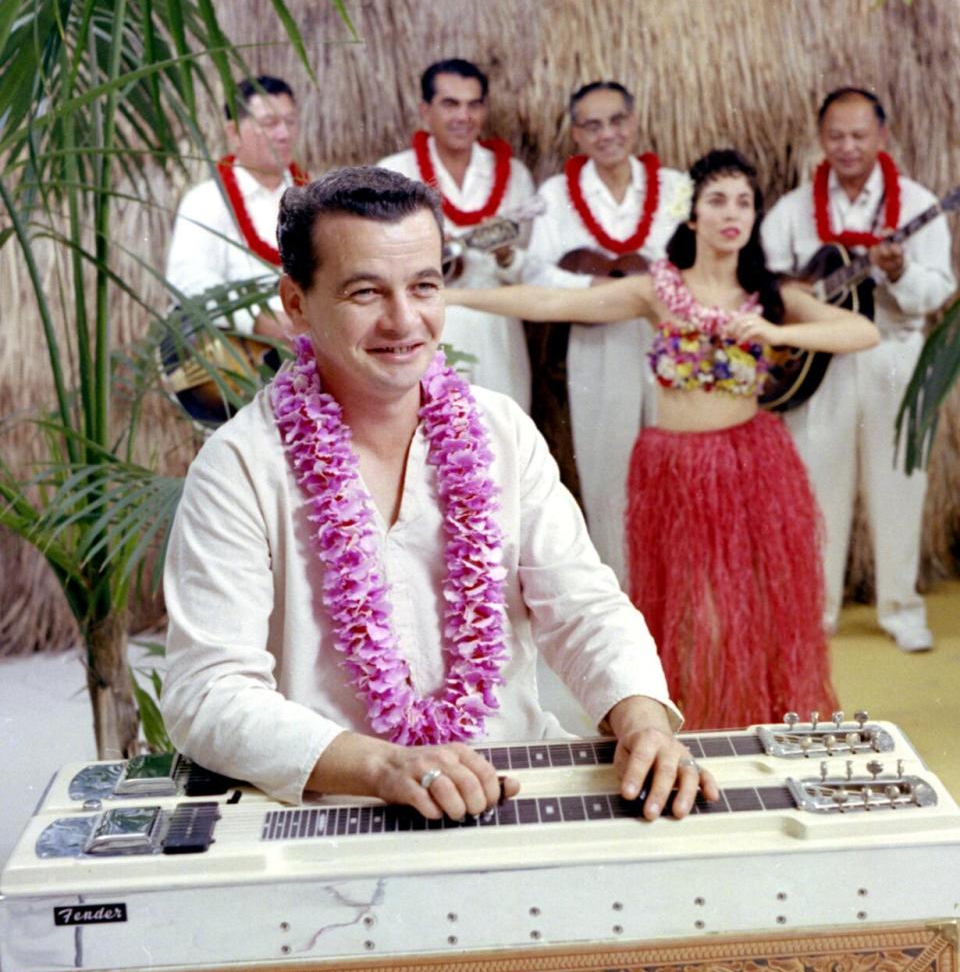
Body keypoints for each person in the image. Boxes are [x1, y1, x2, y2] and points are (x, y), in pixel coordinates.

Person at [162, 165, 716, 821]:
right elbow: (209, 692)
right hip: (338, 808)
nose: (404, 320)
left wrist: (644, 721)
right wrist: (384, 765)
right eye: (366, 292)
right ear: (295, 302)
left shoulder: (500, 428)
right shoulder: (240, 466)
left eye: (424, 285)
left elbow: (584, 608)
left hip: (512, 784)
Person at [445, 149, 880, 729]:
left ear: (754, 218)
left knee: (754, 606)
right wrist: (447, 296)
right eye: (717, 200)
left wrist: (777, 330)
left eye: (744, 202)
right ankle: (692, 721)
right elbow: (553, 301)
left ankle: (752, 719)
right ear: (693, 216)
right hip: (675, 468)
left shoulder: (769, 294)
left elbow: (862, 331)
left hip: (752, 462)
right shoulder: (658, 290)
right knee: (692, 610)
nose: (733, 213)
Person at [762, 88, 955, 652]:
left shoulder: (918, 203)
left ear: (882, 136)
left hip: (895, 357)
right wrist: (797, 297)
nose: (847, 146)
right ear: (820, 138)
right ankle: (816, 614)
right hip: (818, 366)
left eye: (859, 135)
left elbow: (937, 291)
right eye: (836, 135)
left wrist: (896, 274)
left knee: (900, 484)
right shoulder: (794, 209)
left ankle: (901, 609)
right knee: (816, 491)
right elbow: (768, 283)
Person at [521, 82, 689, 583]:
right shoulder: (555, 196)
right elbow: (534, 271)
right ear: (576, 134)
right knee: (606, 473)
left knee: (676, 463)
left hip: (669, 343)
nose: (608, 134)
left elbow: (694, 264)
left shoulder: (676, 187)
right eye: (592, 125)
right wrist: (593, 285)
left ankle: (675, 587)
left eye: (617, 121)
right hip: (594, 339)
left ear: (634, 122)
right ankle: (618, 593)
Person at [378, 59, 536, 410]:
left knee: (505, 434)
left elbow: (526, 268)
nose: (463, 116)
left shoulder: (514, 176)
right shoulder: (393, 173)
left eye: (473, 104)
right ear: (425, 110)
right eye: (450, 104)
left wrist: (505, 254)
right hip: (423, 329)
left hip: (498, 328)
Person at [166, 75, 306, 340]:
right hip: (243, 350)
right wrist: (259, 319)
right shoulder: (206, 201)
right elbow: (189, 283)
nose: (284, 133)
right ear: (233, 132)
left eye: (290, 121)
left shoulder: (315, 197)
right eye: (270, 123)